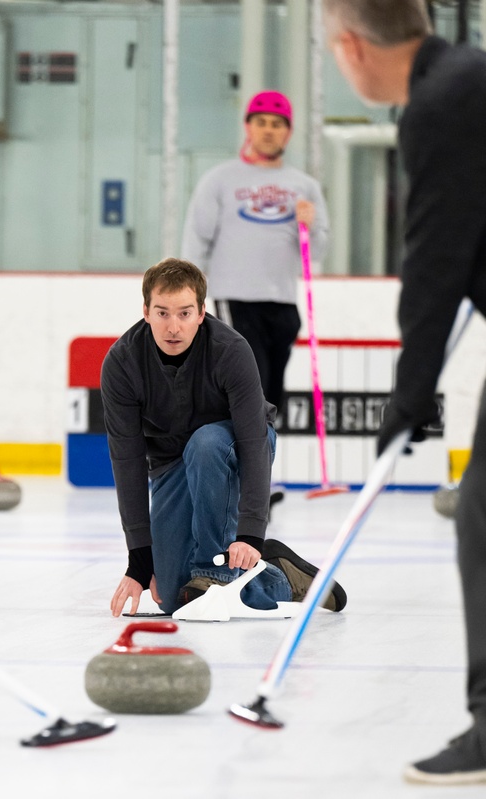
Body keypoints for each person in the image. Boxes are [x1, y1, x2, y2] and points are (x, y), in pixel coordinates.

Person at [323, 0, 486, 785]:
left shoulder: (445, 102)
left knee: (484, 522)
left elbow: (434, 262)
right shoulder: (467, 80)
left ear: (352, 47)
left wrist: (408, 392)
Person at [101, 257, 346, 618]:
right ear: (146, 312)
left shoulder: (230, 350)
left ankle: (214, 573)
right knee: (173, 597)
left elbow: (252, 442)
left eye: (184, 313)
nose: (173, 327)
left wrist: (250, 532)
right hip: (172, 464)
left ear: (202, 312)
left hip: (232, 448)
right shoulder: (122, 364)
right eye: (162, 313)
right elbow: (127, 460)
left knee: (206, 443)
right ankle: (280, 576)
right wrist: (139, 558)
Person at [181, 90, 330, 415]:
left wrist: (311, 224)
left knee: (271, 398)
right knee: (252, 387)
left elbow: (316, 253)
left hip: (283, 303)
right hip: (235, 300)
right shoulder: (220, 180)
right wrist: (188, 297)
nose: (268, 130)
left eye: (277, 124)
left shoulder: (304, 186)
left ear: (287, 132)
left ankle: (259, 463)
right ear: (248, 128)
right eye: (260, 122)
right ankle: (239, 462)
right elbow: (196, 239)